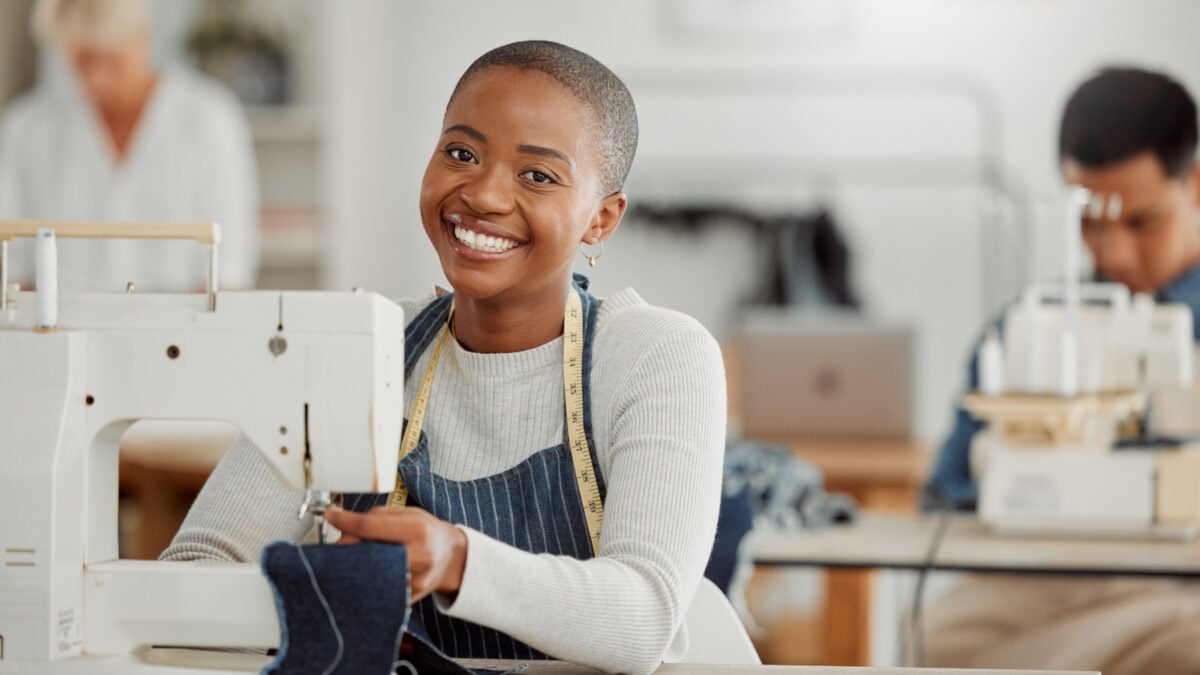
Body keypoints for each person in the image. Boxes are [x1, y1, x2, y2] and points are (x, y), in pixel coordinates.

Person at [161, 40, 726, 674]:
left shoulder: (657, 357)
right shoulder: (354, 349)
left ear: (602, 218)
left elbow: (644, 619)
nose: (483, 195)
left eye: (537, 175)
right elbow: (199, 566)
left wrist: (456, 560)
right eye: (461, 153)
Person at [921, 66, 1200, 675]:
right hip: (1048, 580)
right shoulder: (1026, 330)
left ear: (1196, 184)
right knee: (930, 638)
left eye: (1141, 221)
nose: (1113, 251)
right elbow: (946, 493)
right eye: (1089, 222)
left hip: (1186, 583)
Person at [0, 0, 259, 292]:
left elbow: (228, 269)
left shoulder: (211, 120)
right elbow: (12, 269)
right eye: (82, 60)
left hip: (179, 332)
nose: (97, 77)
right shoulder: (26, 130)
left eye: (111, 59)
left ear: (142, 38)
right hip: (57, 333)